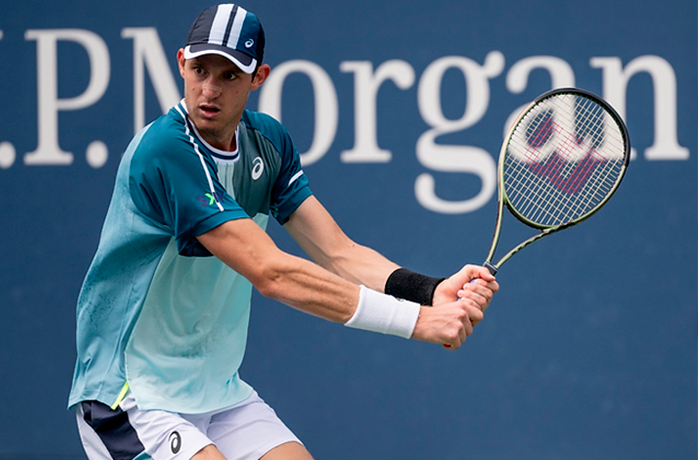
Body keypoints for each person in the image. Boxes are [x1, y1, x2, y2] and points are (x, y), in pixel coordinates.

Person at [68, 4, 499, 460]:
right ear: (181, 63)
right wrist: (418, 322)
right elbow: (272, 273)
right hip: (130, 393)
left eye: (229, 76)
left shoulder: (268, 144)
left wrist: (428, 293)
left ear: (258, 78)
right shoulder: (166, 151)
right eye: (199, 70)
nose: (209, 89)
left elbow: (340, 253)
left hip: (216, 391)